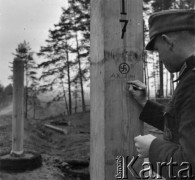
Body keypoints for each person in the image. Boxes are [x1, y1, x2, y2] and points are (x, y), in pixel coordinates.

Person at [128, 9, 195, 179]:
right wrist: (145, 103)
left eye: (158, 51)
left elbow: (189, 167)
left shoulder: (192, 82)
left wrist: (153, 148)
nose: (160, 59)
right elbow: (183, 125)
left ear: (168, 42)